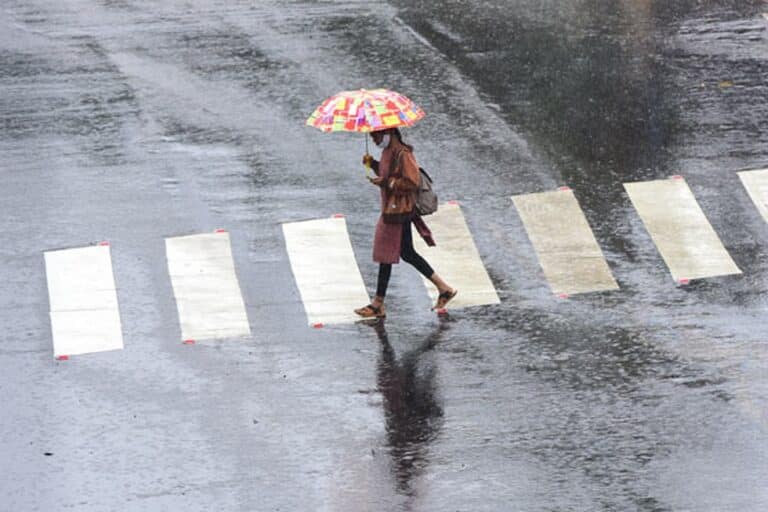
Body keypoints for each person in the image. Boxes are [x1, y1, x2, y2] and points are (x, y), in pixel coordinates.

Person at [354, 127, 457, 319]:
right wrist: (373, 164)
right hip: (392, 210)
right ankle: (443, 288)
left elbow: (411, 181)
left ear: (389, 134)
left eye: (376, 136)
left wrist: (387, 183)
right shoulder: (388, 153)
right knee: (402, 253)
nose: (374, 140)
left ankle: (378, 304)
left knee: (390, 253)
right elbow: (388, 173)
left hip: (399, 211)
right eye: (372, 137)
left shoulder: (403, 153)